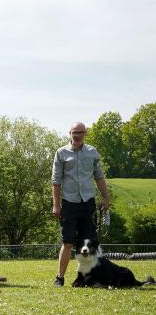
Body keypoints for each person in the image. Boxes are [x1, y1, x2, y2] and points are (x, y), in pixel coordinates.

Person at [51, 121, 110, 287]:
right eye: (74, 132)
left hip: (88, 203)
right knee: (67, 242)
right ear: (69, 133)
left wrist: (105, 198)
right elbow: (56, 181)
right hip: (69, 203)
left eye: (80, 132)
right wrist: (56, 205)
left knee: (87, 244)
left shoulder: (92, 152)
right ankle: (60, 278)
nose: (77, 135)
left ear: (85, 133)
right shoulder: (61, 153)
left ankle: (85, 278)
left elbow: (99, 177)